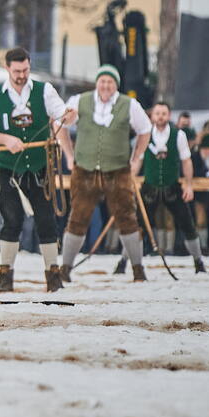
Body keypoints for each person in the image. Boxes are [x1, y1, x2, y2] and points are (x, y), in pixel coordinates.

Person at [0, 46, 73, 293]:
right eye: (17, 70)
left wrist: (69, 117)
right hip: (10, 171)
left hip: (41, 169)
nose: (22, 75)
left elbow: (63, 116)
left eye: (26, 69)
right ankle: (5, 276)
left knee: (47, 221)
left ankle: (53, 275)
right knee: (11, 221)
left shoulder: (44, 90)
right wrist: (6, 140)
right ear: (7, 68)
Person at [58, 65, 151, 282]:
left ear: (115, 85)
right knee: (77, 218)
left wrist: (136, 158)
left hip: (117, 170)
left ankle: (138, 268)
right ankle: (65, 268)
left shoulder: (129, 105)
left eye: (110, 82)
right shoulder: (79, 101)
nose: (106, 85)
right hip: (85, 169)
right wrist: (69, 156)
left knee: (127, 218)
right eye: (103, 81)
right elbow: (60, 123)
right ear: (97, 83)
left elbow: (145, 131)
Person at [122, 101, 206, 274]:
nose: (160, 117)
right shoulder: (144, 135)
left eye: (164, 113)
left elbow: (186, 161)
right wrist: (130, 181)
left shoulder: (179, 135)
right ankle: (124, 262)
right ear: (152, 116)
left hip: (172, 188)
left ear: (168, 116)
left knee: (187, 224)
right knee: (137, 227)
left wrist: (189, 185)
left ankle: (198, 262)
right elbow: (137, 160)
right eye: (157, 113)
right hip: (149, 188)